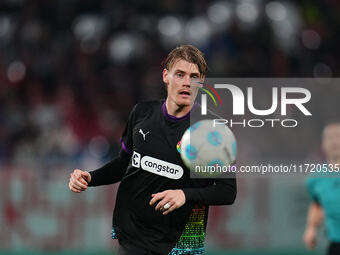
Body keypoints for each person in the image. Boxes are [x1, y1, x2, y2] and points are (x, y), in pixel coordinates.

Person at [68, 44, 237, 255]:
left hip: (179, 244)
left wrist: (185, 195)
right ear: (166, 76)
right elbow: (125, 162)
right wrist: (90, 178)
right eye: (180, 74)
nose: (186, 82)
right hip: (132, 237)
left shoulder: (213, 130)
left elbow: (227, 191)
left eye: (194, 76)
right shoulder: (142, 113)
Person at [303, 121, 340, 255]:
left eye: (338, 136)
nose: (334, 141)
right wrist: (311, 228)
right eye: (329, 137)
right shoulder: (315, 179)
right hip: (335, 245)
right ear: (323, 145)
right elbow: (317, 204)